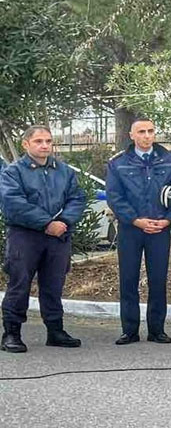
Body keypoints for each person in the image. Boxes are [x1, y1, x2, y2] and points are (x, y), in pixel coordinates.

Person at [0, 125, 86, 353]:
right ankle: (12, 333)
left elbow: (77, 198)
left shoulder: (64, 171)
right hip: (25, 236)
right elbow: (13, 203)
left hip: (58, 236)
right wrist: (46, 223)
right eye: (38, 141)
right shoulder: (13, 172)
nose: (45, 145)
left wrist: (64, 222)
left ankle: (55, 331)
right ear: (26, 144)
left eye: (48, 141)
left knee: (54, 285)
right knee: (19, 284)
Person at [106, 117, 171, 345]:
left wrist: (168, 220)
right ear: (131, 135)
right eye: (141, 131)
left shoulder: (170, 160)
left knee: (158, 280)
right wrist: (135, 220)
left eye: (151, 131)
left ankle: (157, 330)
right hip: (131, 229)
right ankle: (129, 330)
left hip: (160, 229)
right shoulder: (118, 163)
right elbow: (115, 196)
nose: (147, 135)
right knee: (128, 280)